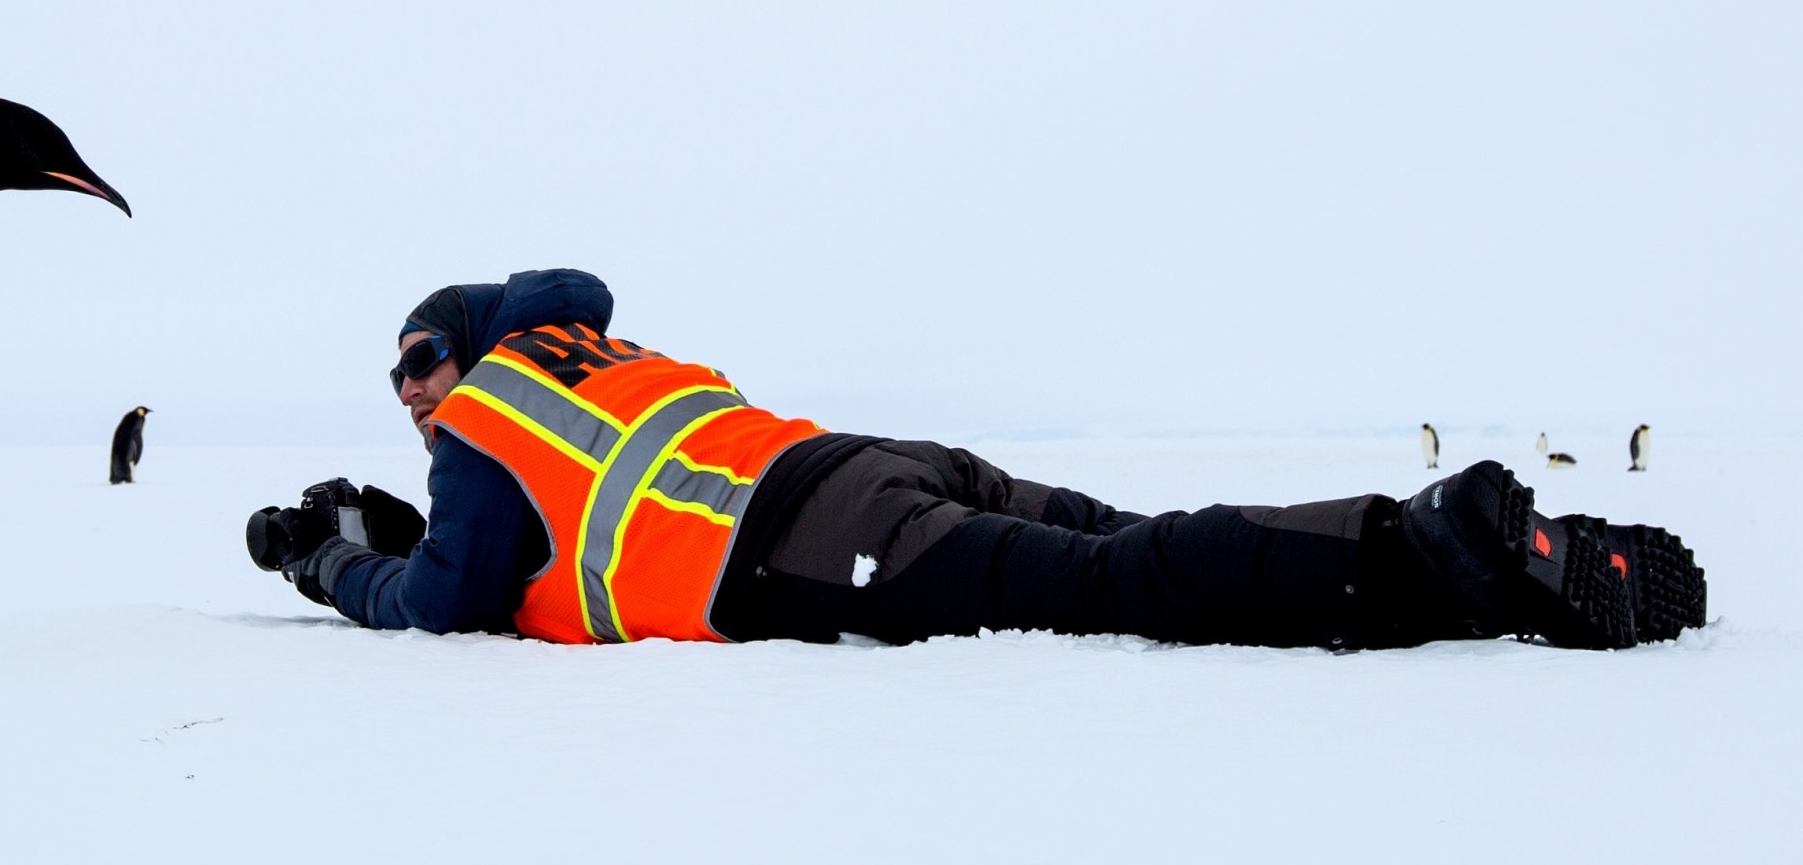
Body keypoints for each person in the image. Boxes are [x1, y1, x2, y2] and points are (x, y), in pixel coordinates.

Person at [244, 269, 1706, 651]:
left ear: (458, 349)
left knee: (1124, 586)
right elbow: (553, 524)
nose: (411, 398)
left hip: (812, 553)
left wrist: (333, 564)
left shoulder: (488, 424)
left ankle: (1431, 544)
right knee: (1140, 535)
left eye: (415, 367)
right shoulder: (602, 358)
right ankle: (1504, 553)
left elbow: (451, 602)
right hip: (876, 464)